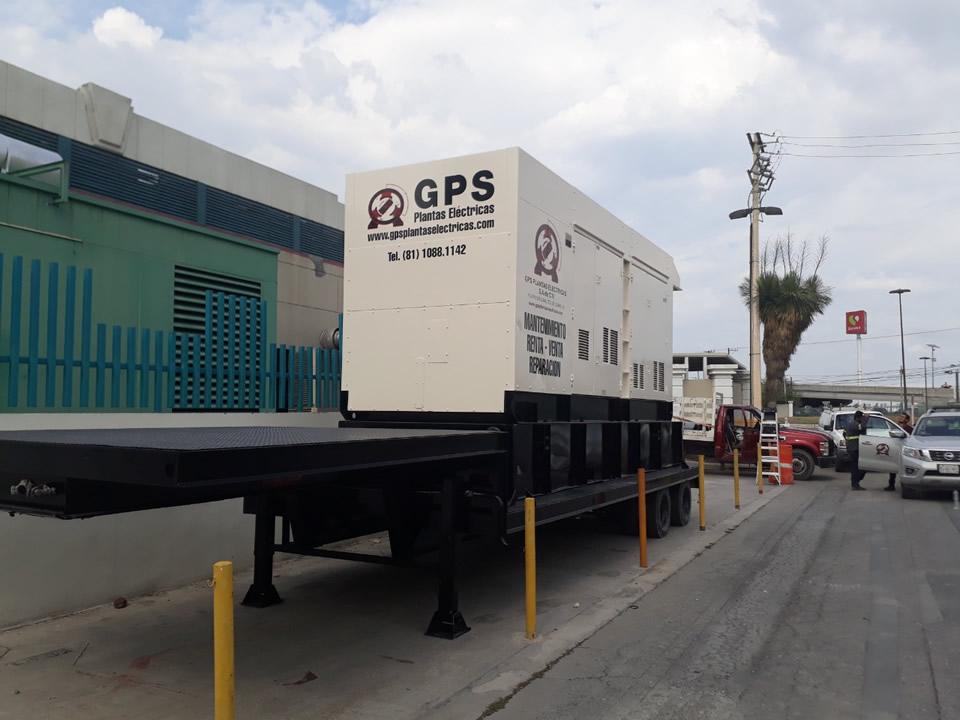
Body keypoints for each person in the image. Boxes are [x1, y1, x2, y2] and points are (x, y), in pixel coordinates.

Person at [844, 410, 868, 491]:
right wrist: (866, 419)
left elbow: (844, 433)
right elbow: (862, 428)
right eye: (861, 418)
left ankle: (856, 481)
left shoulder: (849, 423)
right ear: (858, 418)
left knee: (858, 467)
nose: (862, 419)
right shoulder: (854, 424)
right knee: (856, 467)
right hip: (854, 448)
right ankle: (855, 483)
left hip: (853, 447)